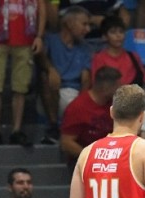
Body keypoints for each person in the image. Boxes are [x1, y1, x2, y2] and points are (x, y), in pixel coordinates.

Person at [0, 0, 45, 146]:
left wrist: (39, 36)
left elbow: (41, 7)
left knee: (20, 87)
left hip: (25, 36)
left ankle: (16, 130)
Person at [36, 6, 92, 145]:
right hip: (49, 95)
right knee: (45, 77)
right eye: (84, 24)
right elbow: (39, 56)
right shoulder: (50, 40)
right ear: (69, 23)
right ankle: (53, 126)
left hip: (72, 95)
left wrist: (81, 107)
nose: (88, 29)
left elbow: (86, 79)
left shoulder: (85, 48)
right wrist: (51, 69)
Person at [60, 66, 123, 164]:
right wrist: (93, 157)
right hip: (86, 162)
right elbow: (66, 143)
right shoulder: (77, 107)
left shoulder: (115, 105)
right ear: (106, 88)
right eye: (117, 86)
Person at [91, 15, 145, 87]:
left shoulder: (134, 56)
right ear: (104, 36)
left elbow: (144, 80)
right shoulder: (99, 58)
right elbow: (96, 85)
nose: (118, 35)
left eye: (121, 32)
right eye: (113, 32)